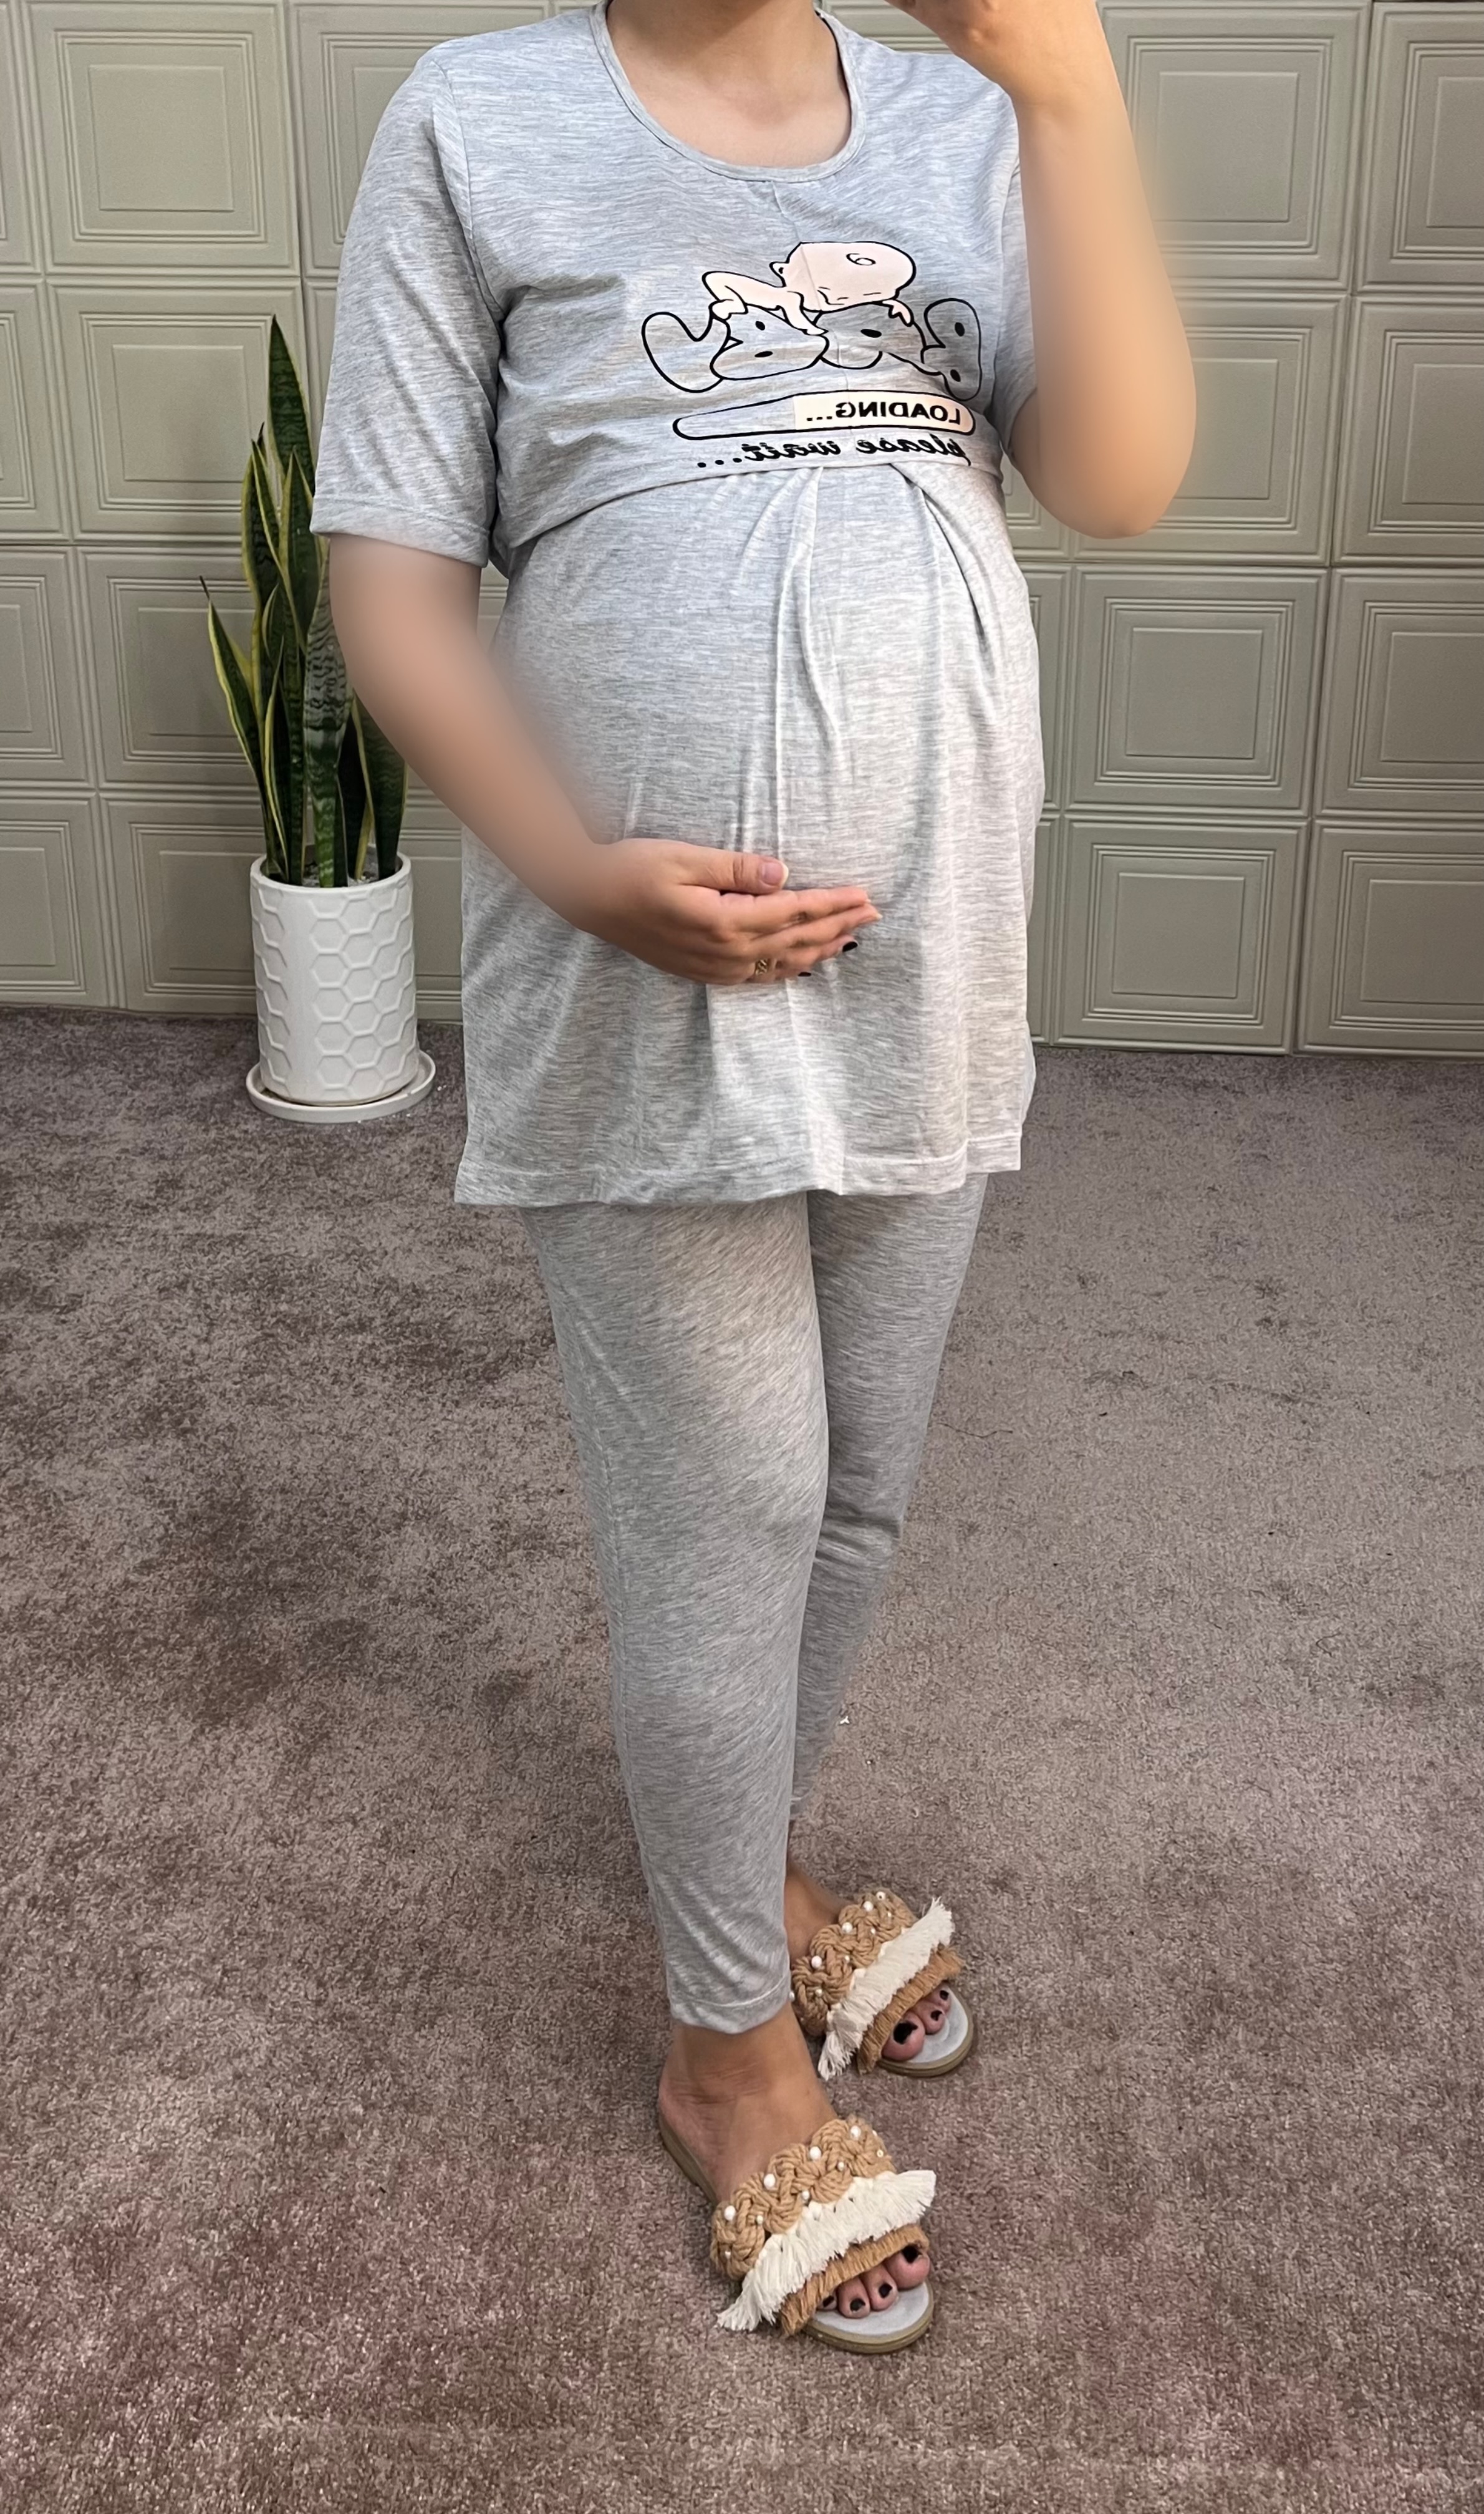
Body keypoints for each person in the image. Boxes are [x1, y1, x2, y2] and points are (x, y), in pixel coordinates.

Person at [311, 0, 1193, 2351]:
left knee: (857, 1493)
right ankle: (725, 2052)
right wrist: (576, 873)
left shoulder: (970, 114)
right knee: (726, 1509)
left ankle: (756, 1885)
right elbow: (389, 577)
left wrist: (1067, 85)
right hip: (636, 974)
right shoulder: (477, 117)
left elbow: (1117, 476)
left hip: (929, 957)